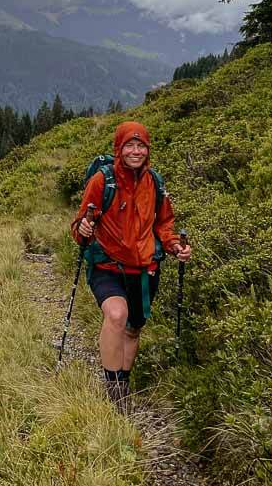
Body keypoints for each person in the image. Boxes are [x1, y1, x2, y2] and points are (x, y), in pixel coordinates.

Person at [71, 120, 191, 408]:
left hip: (145, 270)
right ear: (119, 148)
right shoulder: (103, 181)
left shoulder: (155, 183)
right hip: (107, 266)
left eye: (141, 146)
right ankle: (115, 393)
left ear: (147, 150)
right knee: (116, 315)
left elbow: (164, 223)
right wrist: (83, 229)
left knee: (133, 328)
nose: (135, 151)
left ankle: (123, 380)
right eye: (129, 145)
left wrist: (175, 245)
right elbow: (80, 224)